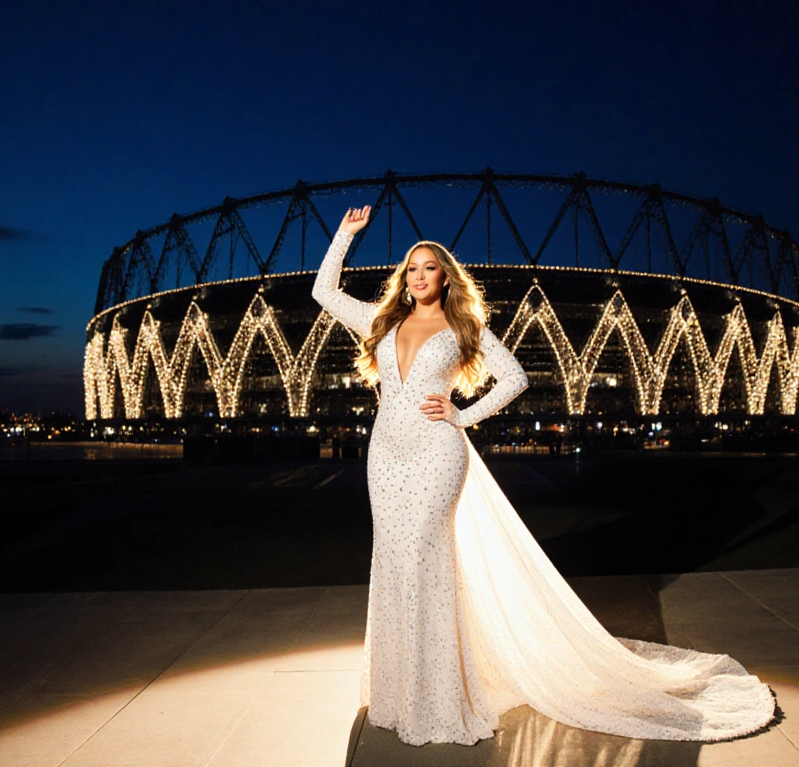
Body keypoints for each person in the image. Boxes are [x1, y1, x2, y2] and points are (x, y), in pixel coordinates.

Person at [312, 205, 775, 747]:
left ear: (445, 276)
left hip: (438, 453)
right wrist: (344, 236)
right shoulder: (382, 320)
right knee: (392, 559)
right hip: (386, 456)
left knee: (425, 559)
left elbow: (515, 377)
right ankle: (397, 688)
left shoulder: (464, 326)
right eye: (412, 268)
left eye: (429, 268)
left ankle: (437, 693)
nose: (419, 276)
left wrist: (463, 414)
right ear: (404, 278)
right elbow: (323, 292)